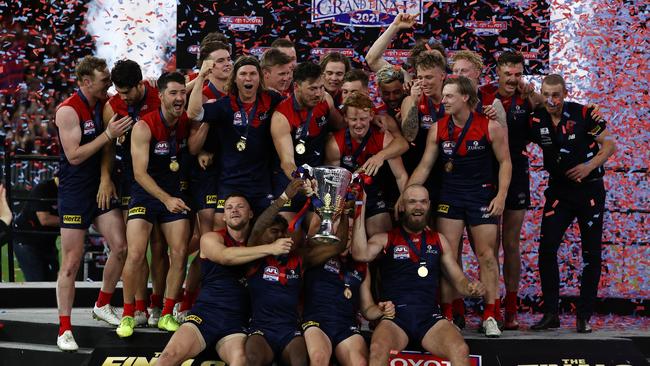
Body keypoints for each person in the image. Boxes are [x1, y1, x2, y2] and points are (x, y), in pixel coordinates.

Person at [405, 76, 512, 337]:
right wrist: (406, 193)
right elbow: (425, 165)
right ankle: (449, 315)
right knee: (448, 256)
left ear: (465, 97)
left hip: (481, 197)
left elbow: (506, 163)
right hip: (450, 196)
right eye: (444, 96)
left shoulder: (490, 126)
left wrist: (501, 197)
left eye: (450, 96)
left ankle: (490, 314)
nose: (444, 101)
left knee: (487, 255)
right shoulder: (438, 128)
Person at [155, 189, 299, 366]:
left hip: (236, 323)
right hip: (204, 317)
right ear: (223, 216)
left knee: (241, 361)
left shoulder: (258, 242)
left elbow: (269, 222)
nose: (234, 210)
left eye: (240, 206)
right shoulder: (211, 238)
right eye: (228, 207)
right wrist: (270, 248)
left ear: (251, 213)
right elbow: (226, 257)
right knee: (168, 356)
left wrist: (285, 197)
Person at [352, 185, 486, 366]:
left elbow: (459, 281)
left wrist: (471, 288)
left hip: (429, 317)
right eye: (412, 202)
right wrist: (360, 206)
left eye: (423, 202)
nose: (418, 207)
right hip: (395, 318)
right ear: (402, 206)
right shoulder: (385, 238)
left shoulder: (439, 240)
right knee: (377, 349)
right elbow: (360, 254)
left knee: (460, 349)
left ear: (429, 205)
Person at [54, 55, 132, 351]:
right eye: (104, 82)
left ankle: (102, 303)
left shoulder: (106, 103)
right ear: (86, 82)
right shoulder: (67, 111)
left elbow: (109, 147)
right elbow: (74, 155)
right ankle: (64, 328)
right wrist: (107, 134)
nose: (109, 86)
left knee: (121, 246)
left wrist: (105, 178)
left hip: (100, 187)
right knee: (72, 262)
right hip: (74, 191)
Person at [529, 74, 616, 333]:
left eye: (556, 95)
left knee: (591, 254)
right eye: (546, 94)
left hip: (589, 191)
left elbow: (609, 145)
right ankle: (551, 314)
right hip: (558, 192)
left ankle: (584, 316)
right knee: (546, 250)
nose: (551, 100)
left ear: (565, 93)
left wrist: (588, 167)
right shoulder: (536, 118)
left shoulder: (585, 113)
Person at [245, 180, 353, 366]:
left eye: (283, 233)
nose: (280, 236)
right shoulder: (255, 256)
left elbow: (339, 245)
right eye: (273, 232)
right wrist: (284, 197)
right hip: (261, 329)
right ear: (264, 235)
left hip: (290, 330)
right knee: (253, 359)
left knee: (300, 360)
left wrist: (343, 212)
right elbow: (257, 228)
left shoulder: (300, 258)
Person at [116, 72, 192, 337]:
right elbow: (139, 173)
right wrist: (167, 199)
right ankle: (127, 315)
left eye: (182, 92)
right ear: (160, 95)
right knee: (136, 253)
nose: (179, 98)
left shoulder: (186, 122)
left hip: (174, 193)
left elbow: (197, 144)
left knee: (180, 252)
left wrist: (203, 151)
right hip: (146, 194)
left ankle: (167, 313)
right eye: (173, 93)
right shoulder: (143, 126)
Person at [101, 59, 167, 327]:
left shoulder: (157, 94)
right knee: (136, 248)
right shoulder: (113, 105)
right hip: (130, 179)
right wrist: (105, 177)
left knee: (159, 245)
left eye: (128, 91)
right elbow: (108, 146)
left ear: (141, 83)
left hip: (163, 177)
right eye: (120, 91)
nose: (123, 96)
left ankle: (158, 305)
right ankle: (139, 307)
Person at [188, 56, 284, 223]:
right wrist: (201, 76)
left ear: (260, 77)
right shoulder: (224, 105)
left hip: (261, 183)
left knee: (264, 231)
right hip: (231, 181)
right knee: (220, 225)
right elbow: (193, 113)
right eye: (243, 74)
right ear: (234, 79)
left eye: (253, 74)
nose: (248, 78)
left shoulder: (272, 100)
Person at [270, 61, 344, 229]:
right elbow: (287, 162)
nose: (318, 93)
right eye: (312, 89)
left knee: (321, 228)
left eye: (321, 87)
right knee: (288, 231)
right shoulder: (282, 116)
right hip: (290, 180)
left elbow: (341, 125)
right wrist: (302, 181)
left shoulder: (326, 100)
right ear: (296, 86)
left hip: (318, 179)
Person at [325, 92, 408, 236]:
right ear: (345, 118)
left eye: (363, 118)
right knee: (340, 235)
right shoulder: (335, 144)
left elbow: (400, 176)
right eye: (353, 119)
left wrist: (405, 198)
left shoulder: (383, 138)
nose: (358, 124)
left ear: (371, 116)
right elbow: (331, 183)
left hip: (374, 197)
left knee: (381, 238)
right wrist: (336, 211)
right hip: (346, 198)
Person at [399, 52, 447, 175]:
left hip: (449, 163)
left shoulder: (454, 98)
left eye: (429, 77)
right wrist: (414, 104)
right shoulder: (410, 100)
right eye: (420, 78)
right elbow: (409, 136)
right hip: (420, 164)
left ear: (442, 76)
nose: (424, 83)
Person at [13, 177, 59, 281]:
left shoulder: (71, 191)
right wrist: (73, 221)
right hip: (27, 240)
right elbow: (44, 219)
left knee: (52, 282)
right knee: (37, 281)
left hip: (47, 242)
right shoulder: (43, 188)